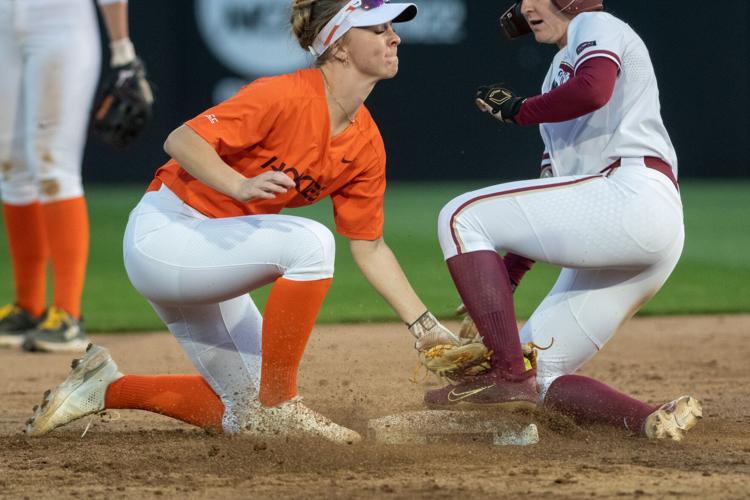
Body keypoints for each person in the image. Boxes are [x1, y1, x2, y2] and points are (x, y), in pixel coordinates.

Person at [25, 0, 460, 444]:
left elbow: (369, 247)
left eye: (391, 29)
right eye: (377, 29)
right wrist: (237, 184)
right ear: (340, 46)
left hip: (217, 254)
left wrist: (424, 328)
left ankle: (106, 387)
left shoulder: (365, 143)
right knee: (311, 243)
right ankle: (282, 403)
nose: (394, 37)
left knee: (244, 413)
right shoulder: (286, 94)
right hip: (167, 235)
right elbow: (181, 140)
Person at [422, 0, 702, 441]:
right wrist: (508, 277)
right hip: (629, 225)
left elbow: (594, 89)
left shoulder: (596, 22)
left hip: (631, 191)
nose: (525, 7)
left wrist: (520, 109)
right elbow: (555, 190)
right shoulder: (556, 71)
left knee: (459, 215)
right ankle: (647, 419)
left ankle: (504, 373)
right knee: (540, 373)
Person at [0, 0, 147, 353]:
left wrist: (122, 49)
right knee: (10, 164)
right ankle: (28, 307)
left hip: (60, 23)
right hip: (5, 22)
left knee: (53, 165)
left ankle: (68, 313)